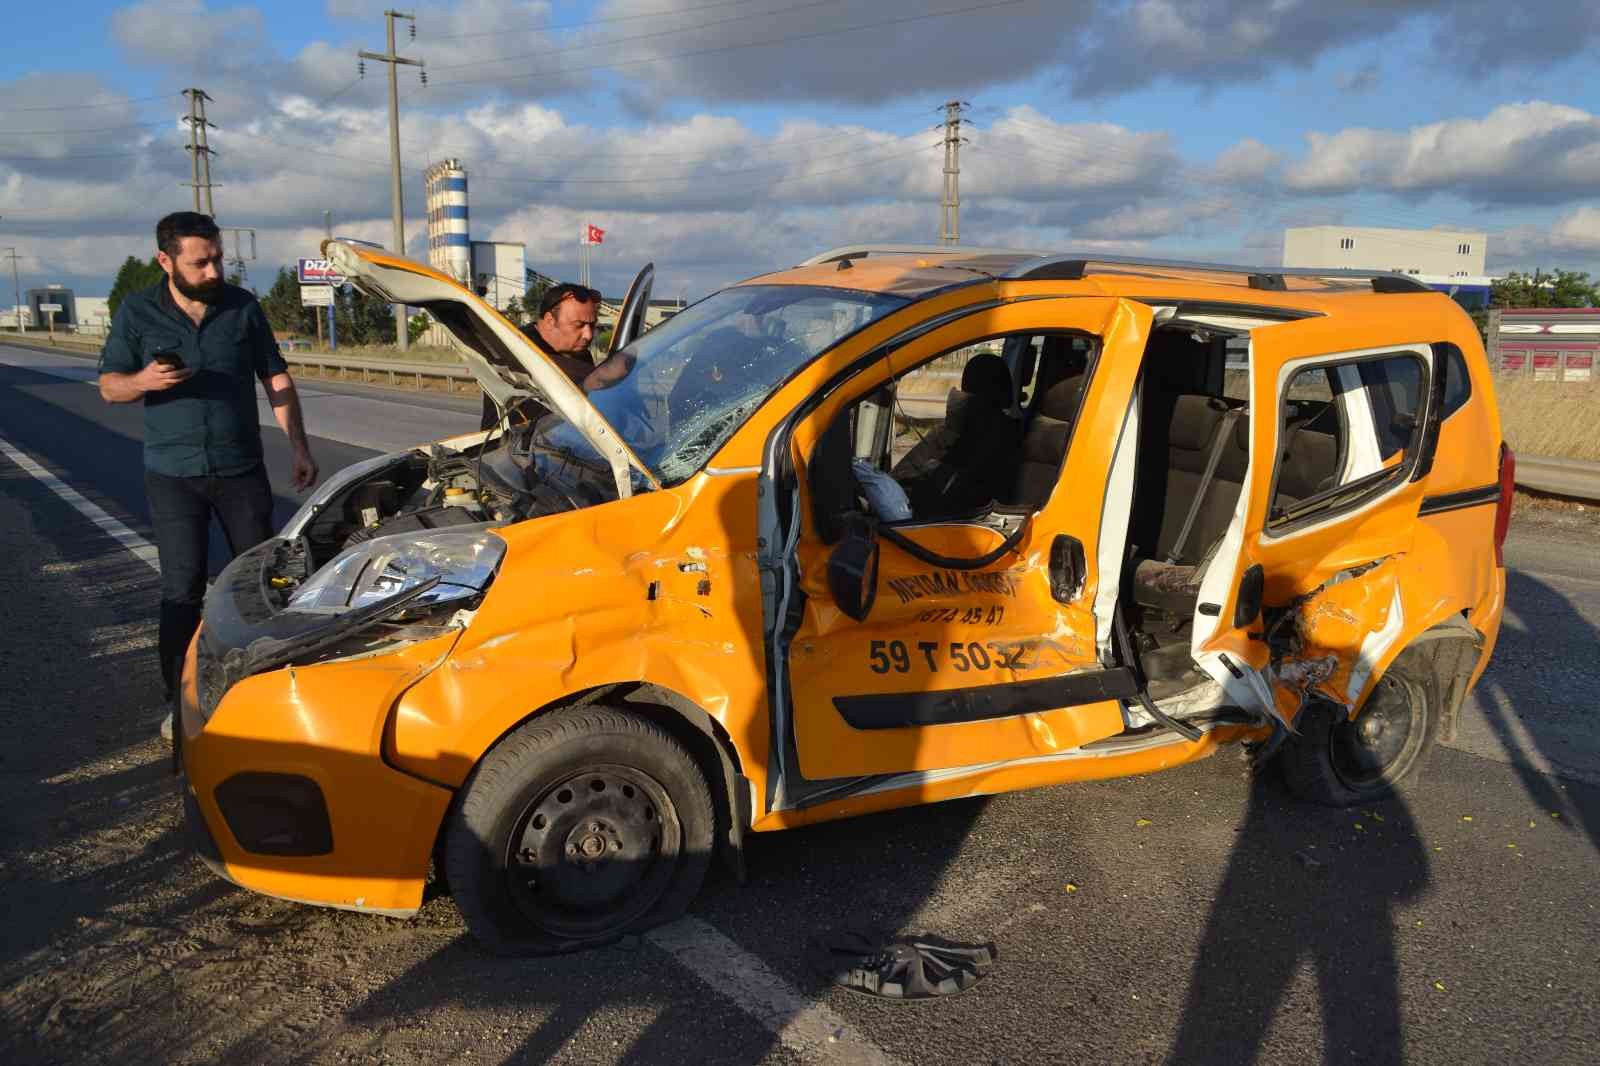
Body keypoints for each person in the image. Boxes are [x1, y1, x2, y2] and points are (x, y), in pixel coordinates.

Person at [98, 211, 318, 737]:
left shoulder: (242, 308)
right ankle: (181, 701)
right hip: (173, 475)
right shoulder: (138, 311)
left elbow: (276, 376)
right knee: (181, 590)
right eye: (200, 263)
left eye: (217, 258)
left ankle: (263, 693)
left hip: (241, 471)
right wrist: (144, 379)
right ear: (166, 261)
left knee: (266, 584)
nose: (214, 270)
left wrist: (298, 446)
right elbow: (109, 386)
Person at [479, 282, 605, 430]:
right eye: (579, 325)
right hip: (510, 447)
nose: (588, 335)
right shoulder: (518, 351)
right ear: (550, 320)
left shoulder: (579, 353)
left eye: (592, 325)